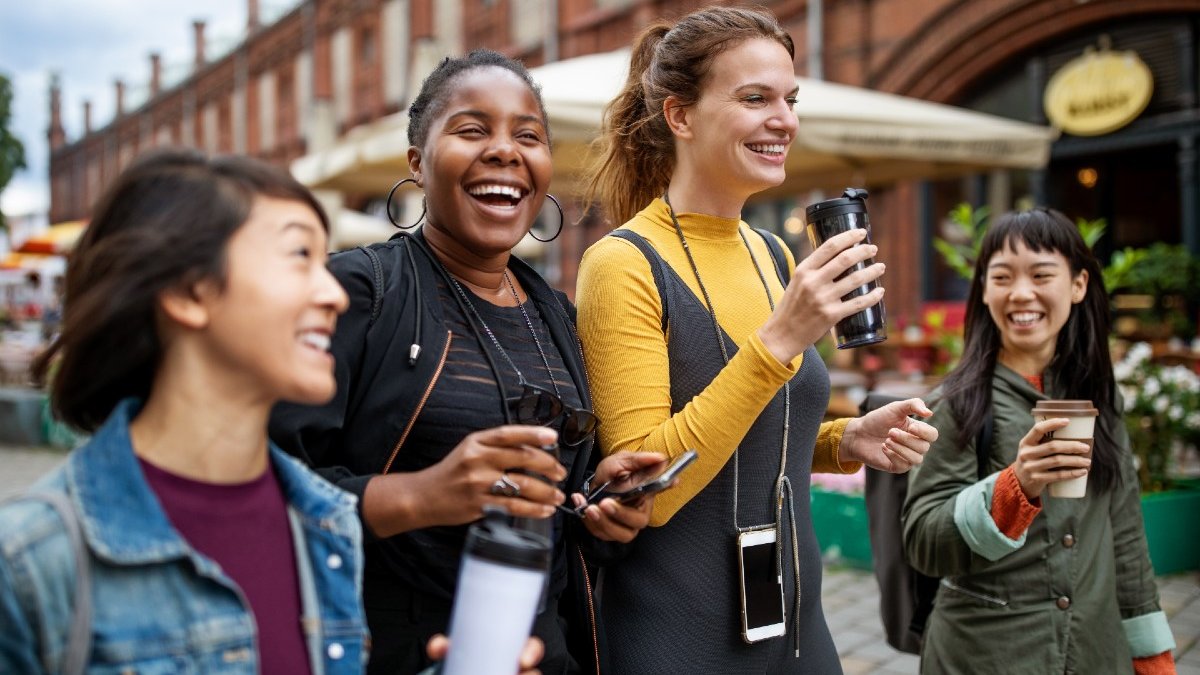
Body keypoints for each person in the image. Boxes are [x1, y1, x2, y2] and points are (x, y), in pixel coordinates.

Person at [269, 49, 665, 675]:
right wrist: (422, 495)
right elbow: (265, 492)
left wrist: (600, 512)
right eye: (472, 130)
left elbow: (554, 521)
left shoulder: (556, 315)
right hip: (393, 653)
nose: (506, 150)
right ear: (417, 163)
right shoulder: (359, 294)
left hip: (543, 654)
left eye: (528, 136)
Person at [576, 6, 939, 673]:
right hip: (677, 633)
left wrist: (843, 439)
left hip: (796, 620)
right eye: (755, 98)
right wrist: (779, 342)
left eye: (789, 99)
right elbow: (643, 488)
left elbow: (761, 427)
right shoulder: (623, 262)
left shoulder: (772, 253)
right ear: (679, 116)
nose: (784, 120)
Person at [0, 149, 368, 673]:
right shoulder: (30, 560)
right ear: (189, 291)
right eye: (299, 255)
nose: (335, 293)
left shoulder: (326, 527)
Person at [902, 209, 1177, 674]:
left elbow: (1125, 535)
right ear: (985, 290)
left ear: (1078, 285)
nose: (1021, 293)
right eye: (1003, 277)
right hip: (984, 657)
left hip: (1095, 652)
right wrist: (1016, 485)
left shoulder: (1099, 398)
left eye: (1042, 274)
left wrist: (1152, 656)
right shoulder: (955, 403)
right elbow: (923, 541)